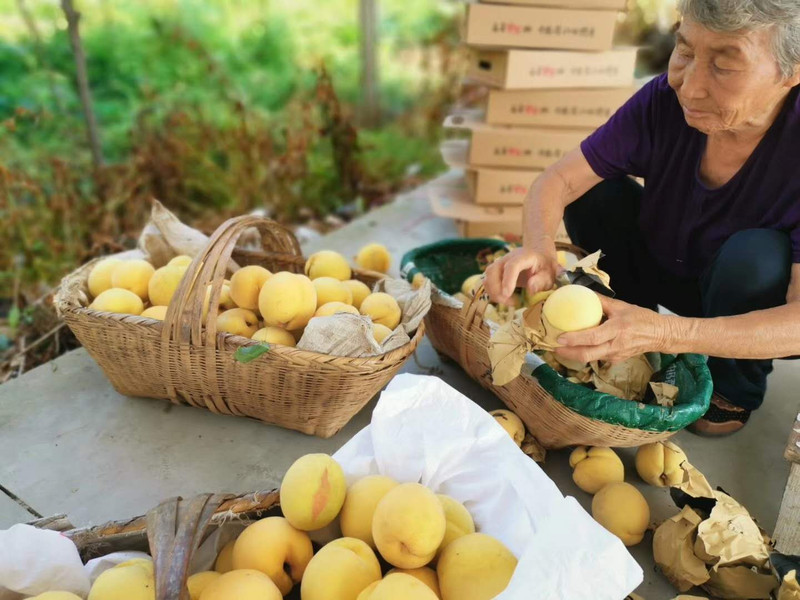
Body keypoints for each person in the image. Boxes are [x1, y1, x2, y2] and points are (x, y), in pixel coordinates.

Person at [484, 0, 800, 436]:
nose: (689, 88)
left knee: (756, 256)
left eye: (724, 67)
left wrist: (670, 333)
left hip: (746, 298)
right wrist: (538, 247)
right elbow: (559, 179)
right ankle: (631, 326)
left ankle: (733, 386)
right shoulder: (663, 102)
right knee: (596, 192)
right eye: (685, 51)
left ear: (791, 71)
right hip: (671, 260)